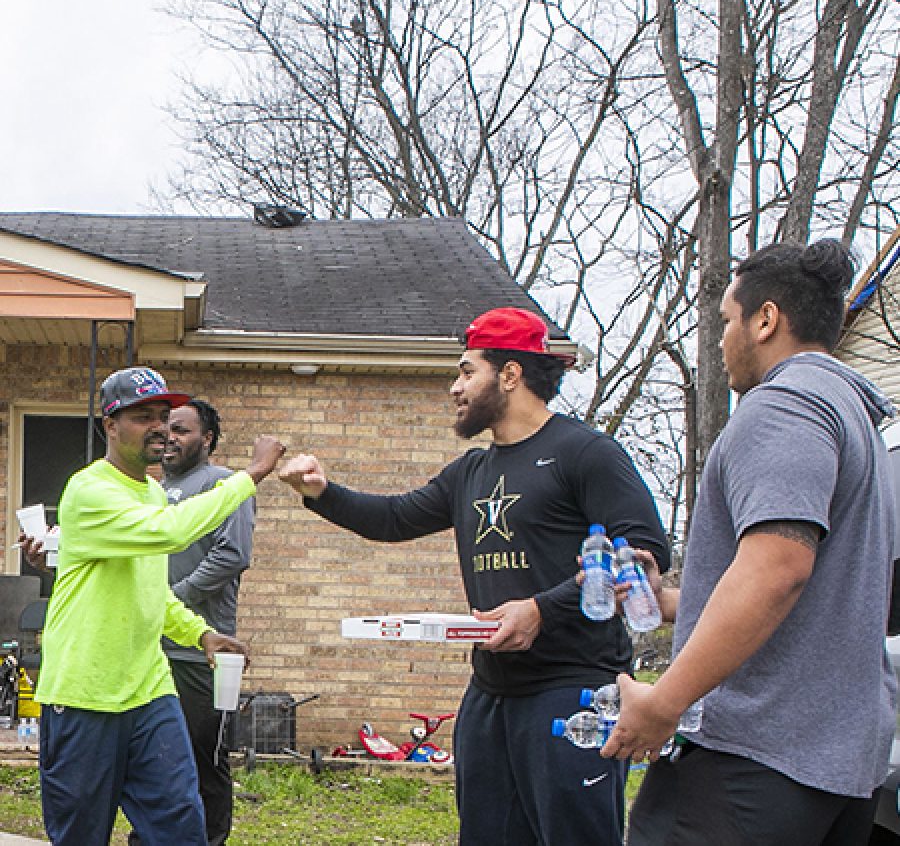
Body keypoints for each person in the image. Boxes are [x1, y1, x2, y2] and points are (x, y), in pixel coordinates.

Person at [279, 306, 670, 846]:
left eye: (467, 371)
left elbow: (645, 555)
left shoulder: (586, 454)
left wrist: (541, 609)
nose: (454, 387)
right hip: (490, 695)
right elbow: (394, 518)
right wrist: (322, 492)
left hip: (572, 691)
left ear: (510, 374)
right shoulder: (472, 472)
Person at [601, 240, 898, 845]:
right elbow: (824, 591)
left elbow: (777, 570)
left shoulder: (786, 406)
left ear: (766, 320)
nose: (719, 340)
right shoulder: (856, 421)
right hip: (836, 769)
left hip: (752, 763)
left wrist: (666, 701)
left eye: (727, 321)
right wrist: (675, 603)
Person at [20, 367, 284, 846]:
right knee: (80, 835)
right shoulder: (89, 489)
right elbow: (173, 532)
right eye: (143, 417)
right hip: (85, 695)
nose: (159, 427)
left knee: (180, 828)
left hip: (148, 690)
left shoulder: (152, 491)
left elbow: (152, 590)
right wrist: (252, 474)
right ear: (111, 424)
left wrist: (200, 633)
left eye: (163, 417)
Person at [128, 399, 255, 846]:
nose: (169, 437)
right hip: (149, 652)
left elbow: (231, 554)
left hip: (202, 654)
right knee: (150, 760)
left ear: (208, 439)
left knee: (205, 758)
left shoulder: (223, 485)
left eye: (181, 429)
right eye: (166, 428)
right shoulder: (149, 490)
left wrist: (166, 602)